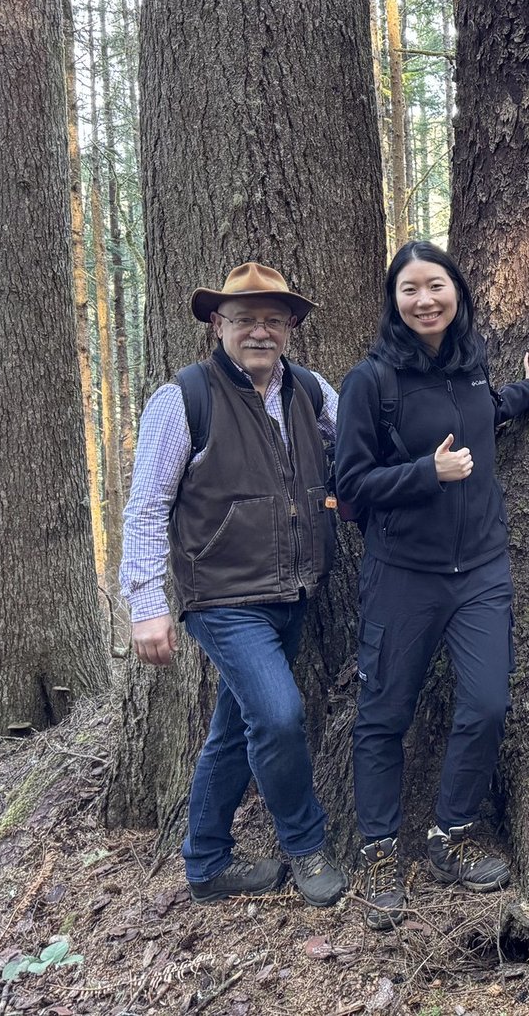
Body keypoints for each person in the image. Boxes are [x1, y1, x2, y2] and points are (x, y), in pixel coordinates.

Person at [335, 241, 529, 930]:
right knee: (383, 715)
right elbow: (349, 487)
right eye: (409, 290)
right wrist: (425, 474)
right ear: (393, 302)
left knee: (487, 704)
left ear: (455, 291)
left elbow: (482, 415)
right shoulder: (371, 381)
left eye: (435, 286)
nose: (424, 299)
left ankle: (449, 834)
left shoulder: (470, 366)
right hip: (403, 575)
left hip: (482, 571)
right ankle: (377, 850)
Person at [120, 262, 347, 907]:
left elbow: (354, 451)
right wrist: (145, 604)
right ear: (218, 324)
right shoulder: (182, 399)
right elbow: (145, 509)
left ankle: (205, 863)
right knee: (278, 716)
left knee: (236, 726)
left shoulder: (311, 392)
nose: (259, 331)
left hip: (297, 592)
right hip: (222, 600)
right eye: (245, 319)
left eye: (273, 320)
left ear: (291, 329)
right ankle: (305, 847)